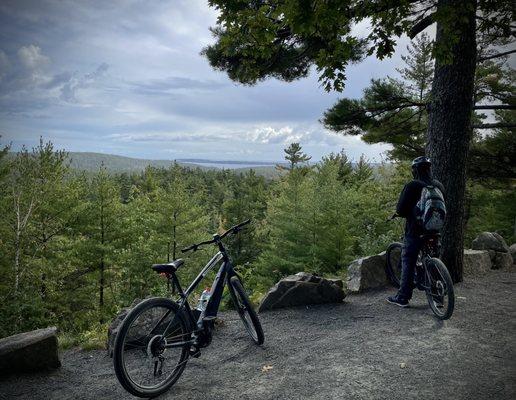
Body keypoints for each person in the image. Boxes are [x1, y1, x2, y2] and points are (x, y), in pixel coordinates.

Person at [387, 156, 445, 307]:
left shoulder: (413, 185)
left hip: (415, 231)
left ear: (415, 170)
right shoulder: (437, 185)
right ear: (429, 169)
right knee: (433, 260)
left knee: (408, 261)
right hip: (434, 230)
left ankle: (402, 298)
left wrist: (404, 214)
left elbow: (401, 209)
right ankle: (439, 297)